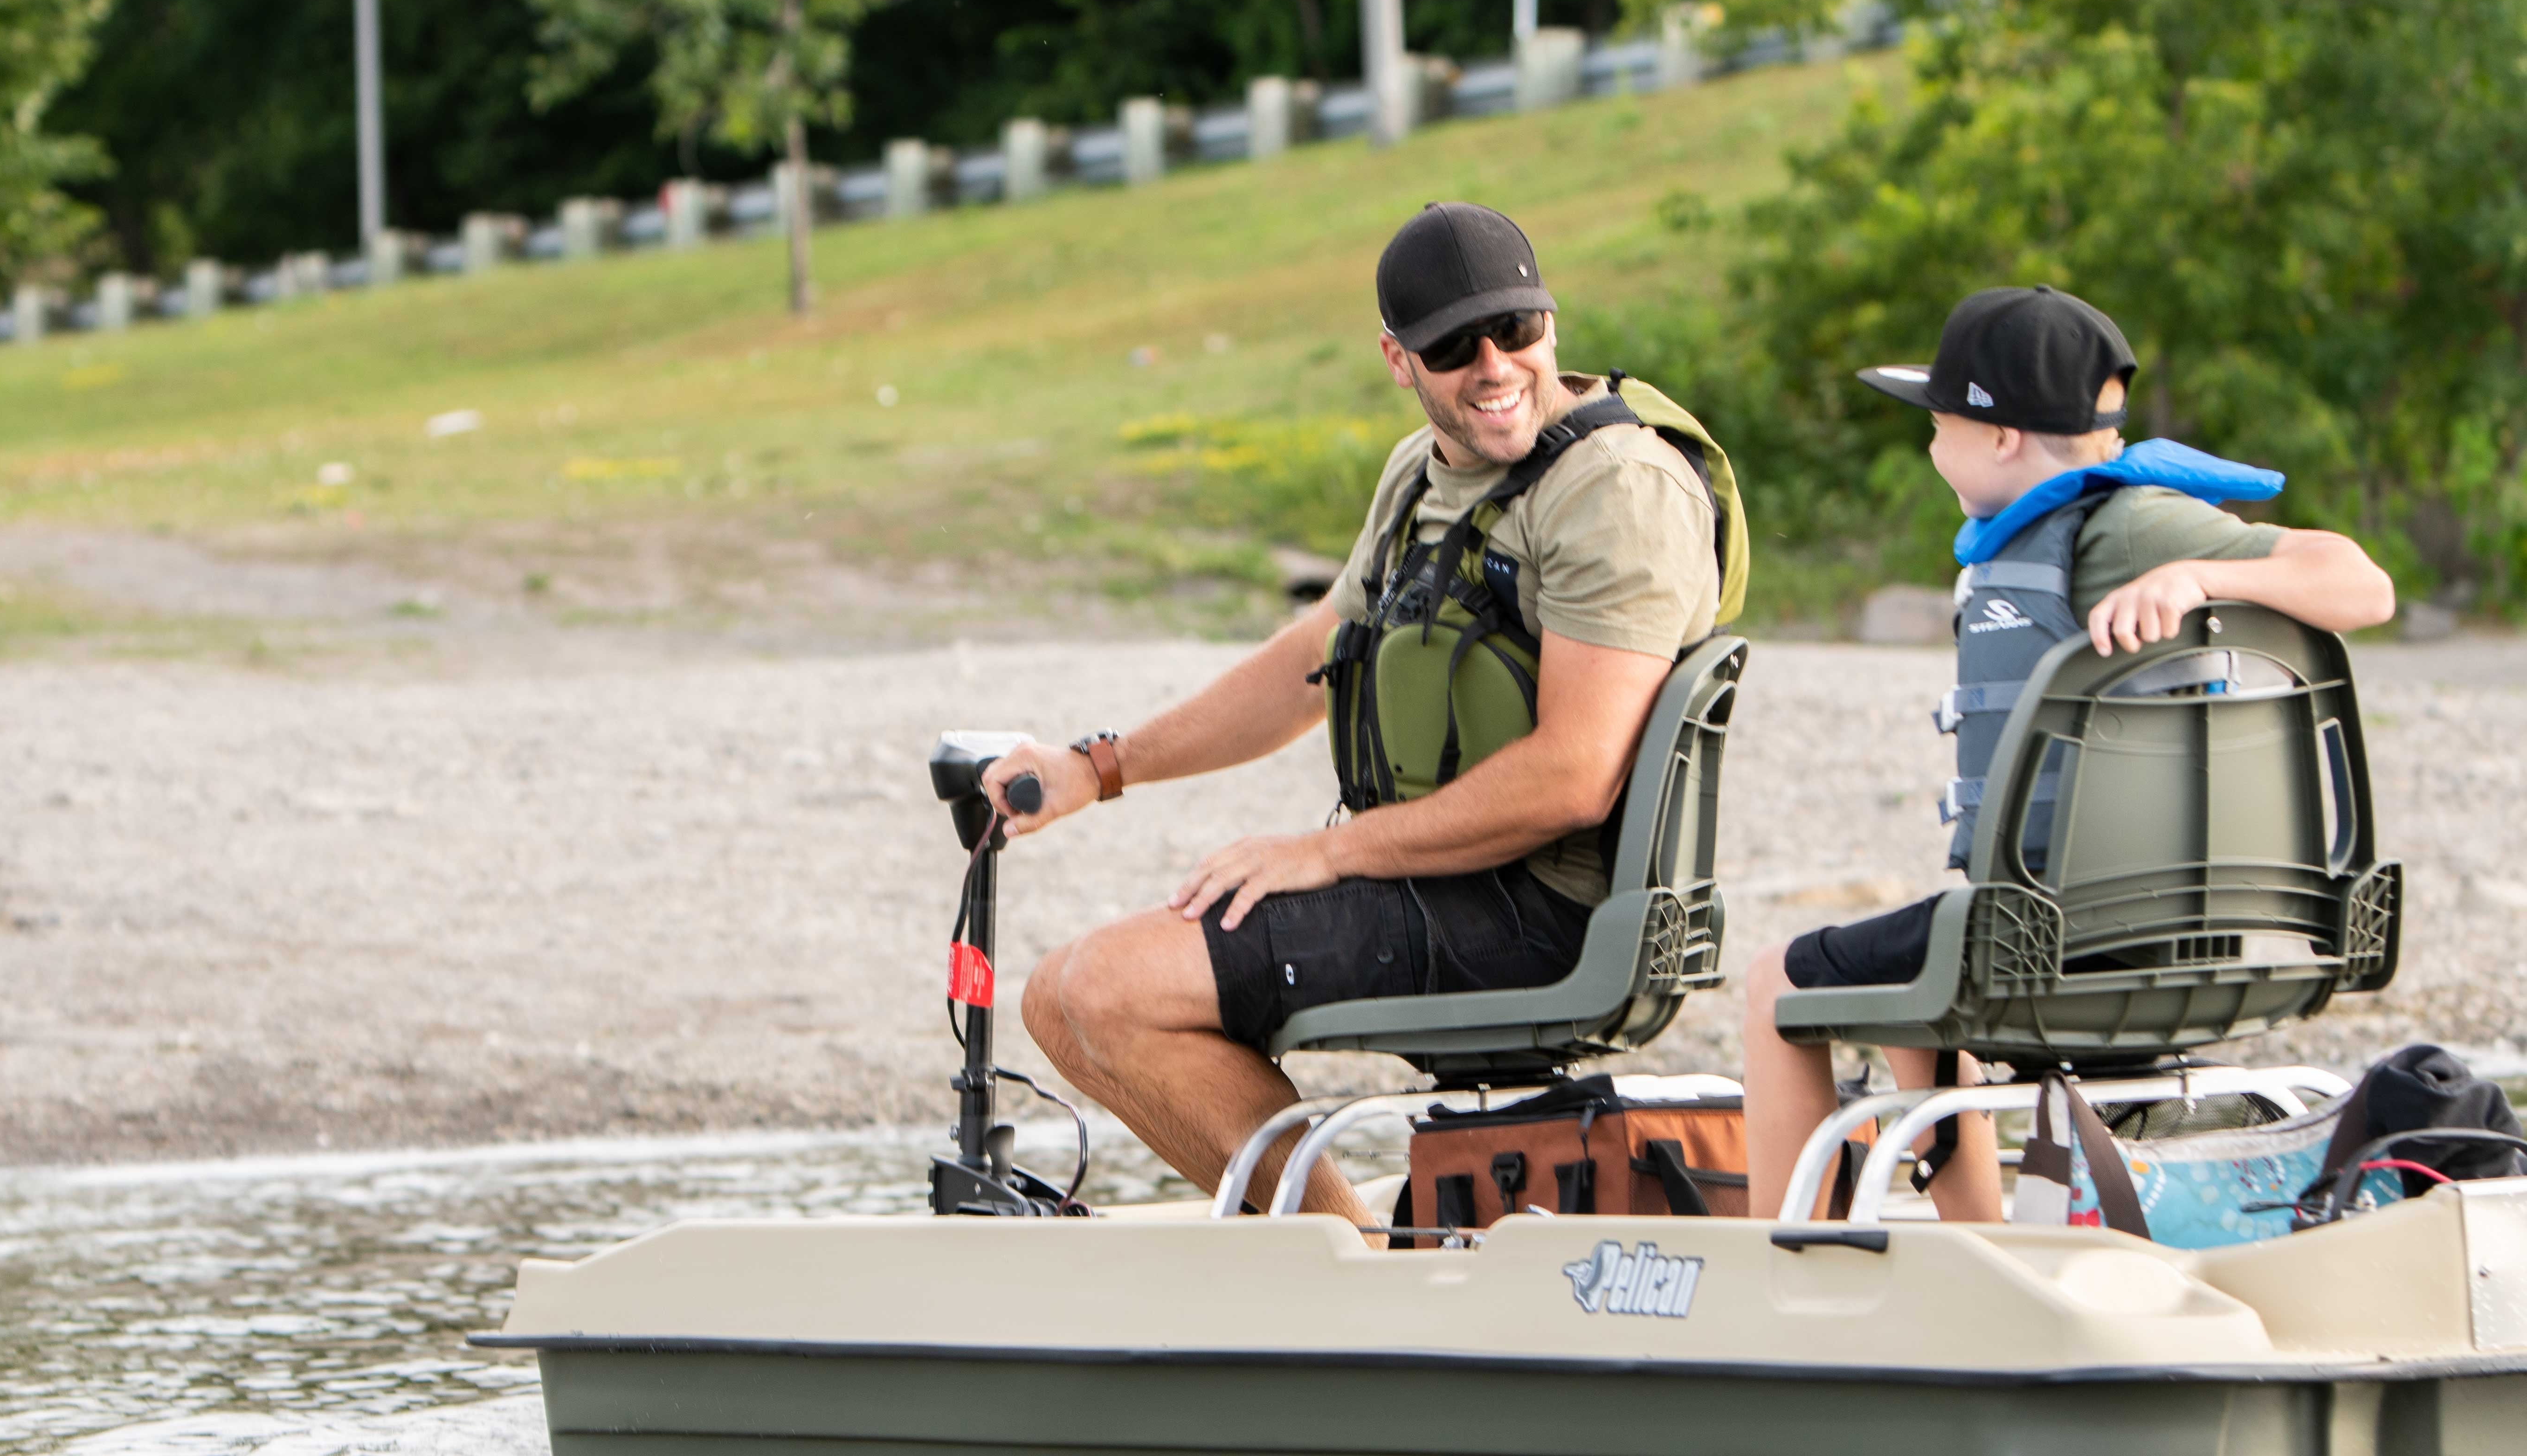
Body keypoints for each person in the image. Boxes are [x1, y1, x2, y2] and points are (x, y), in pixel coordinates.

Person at [979, 202, 1740, 1230]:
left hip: (1548, 913)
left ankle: (1345, 1259)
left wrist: (1329, 855)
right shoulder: (1419, 473)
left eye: (1516, 330)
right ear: (1399, 359)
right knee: (1056, 994)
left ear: (1550, 322)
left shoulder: (1616, 491)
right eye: (1453, 345)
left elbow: (1576, 773)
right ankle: (1344, 1251)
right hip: (1446, 883)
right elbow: (1312, 661)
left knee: (1106, 990)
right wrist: (1100, 767)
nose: (1494, 365)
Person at [1740, 285, 2396, 1223]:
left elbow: (2363, 584)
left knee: (1779, 980)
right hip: (2214, 934)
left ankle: (1776, 1276)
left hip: (2057, 942)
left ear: (1999, 434)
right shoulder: (2078, 529)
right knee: (1927, 949)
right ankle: (1984, 1247)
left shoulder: (2130, 525)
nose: (1929, 446)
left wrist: (2195, 573)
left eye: (1937, 423)